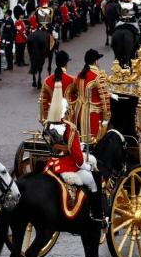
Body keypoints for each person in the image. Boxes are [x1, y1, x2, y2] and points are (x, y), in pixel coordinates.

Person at [43, 80, 105, 225]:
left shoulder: (49, 124)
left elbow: (60, 145)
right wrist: (85, 166)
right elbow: (77, 156)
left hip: (54, 162)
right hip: (69, 165)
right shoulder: (69, 128)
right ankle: (96, 215)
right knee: (93, 183)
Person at [69, 49, 111, 144]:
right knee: (95, 141)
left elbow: (72, 91)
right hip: (93, 115)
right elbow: (105, 99)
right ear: (96, 62)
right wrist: (107, 117)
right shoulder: (97, 76)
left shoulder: (80, 75)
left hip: (79, 113)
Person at [40, 51, 75, 122]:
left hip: (52, 117)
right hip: (68, 118)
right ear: (66, 64)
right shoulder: (72, 80)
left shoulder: (47, 81)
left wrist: (45, 119)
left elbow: (43, 103)